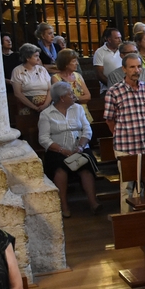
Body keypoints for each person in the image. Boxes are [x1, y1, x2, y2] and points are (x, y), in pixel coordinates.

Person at [103, 53, 145, 212]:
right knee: (127, 185)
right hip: (125, 145)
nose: (136, 70)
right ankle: (127, 219)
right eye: (132, 67)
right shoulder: (114, 91)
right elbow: (109, 119)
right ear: (124, 69)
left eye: (139, 66)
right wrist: (121, 134)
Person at [39, 81, 100, 217]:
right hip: (58, 152)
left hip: (79, 149)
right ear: (62, 98)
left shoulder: (78, 108)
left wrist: (80, 147)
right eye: (70, 94)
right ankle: (64, 206)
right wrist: (62, 150)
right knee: (60, 171)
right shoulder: (46, 114)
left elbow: (87, 130)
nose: (74, 96)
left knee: (86, 169)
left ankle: (93, 203)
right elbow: (43, 139)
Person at [50, 48, 92, 122]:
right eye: (74, 61)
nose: (77, 63)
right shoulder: (55, 78)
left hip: (82, 112)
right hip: (67, 113)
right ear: (65, 64)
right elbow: (62, 99)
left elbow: (88, 96)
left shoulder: (78, 76)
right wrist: (80, 99)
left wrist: (74, 99)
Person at [11, 43, 52, 117]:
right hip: (27, 106)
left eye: (38, 56)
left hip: (45, 106)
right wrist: (35, 107)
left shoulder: (42, 69)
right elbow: (18, 93)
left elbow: (50, 89)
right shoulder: (17, 71)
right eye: (36, 56)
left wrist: (45, 105)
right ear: (27, 58)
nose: (38, 59)